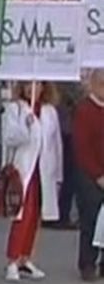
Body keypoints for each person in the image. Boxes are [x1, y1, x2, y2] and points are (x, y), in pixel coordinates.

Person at [2, 81, 63, 282]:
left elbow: (55, 144)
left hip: (43, 171)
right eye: (28, 84)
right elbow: (10, 138)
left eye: (36, 84)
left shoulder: (49, 112)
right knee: (21, 216)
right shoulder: (16, 109)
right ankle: (12, 259)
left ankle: (25, 257)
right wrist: (25, 127)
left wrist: (58, 174)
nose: (31, 88)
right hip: (24, 170)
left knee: (36, 216)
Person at [73, 69, 104, 282]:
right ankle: (87, 263)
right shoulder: (85, 110)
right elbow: (82, 148)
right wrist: (98, 174)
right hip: (89, 175)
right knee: (90, 219)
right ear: (93, 85)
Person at [51, 80, 83, 230]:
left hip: (65, 129)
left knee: (65, 175)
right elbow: (76, 99)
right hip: (67, 130)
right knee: (69, 176)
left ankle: (59, 213)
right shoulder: (67, 81)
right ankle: (61, 214)